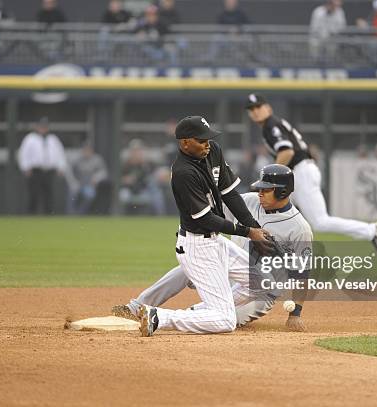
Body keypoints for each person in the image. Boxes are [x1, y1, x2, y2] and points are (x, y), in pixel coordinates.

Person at [113, 164, 313, 331]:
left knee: (224, 322)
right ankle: (135, 307)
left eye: (266, 189)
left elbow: (302, 275)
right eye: (259, 189)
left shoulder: (299, 228)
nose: (259, 193)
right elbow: (211, 215)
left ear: (283, 191)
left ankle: (184, 315)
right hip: (229, 266)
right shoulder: (249, 201)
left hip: (260, 291)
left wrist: (295, 314)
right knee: (187, 266)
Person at [137, 116, 272, 336]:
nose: (207, 144)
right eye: (201, 140)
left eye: (208, 138)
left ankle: (200, 313)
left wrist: (256, 229)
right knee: (226, 322)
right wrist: (248, 232)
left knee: (262, 283)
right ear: (185, 143)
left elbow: (230, 195)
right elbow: (205, 219)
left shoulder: (213, 151)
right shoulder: (183, 173)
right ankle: (159, 316)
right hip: (198, 247)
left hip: (216, 240)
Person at [245, 93, 377, 257]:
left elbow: (287, 152)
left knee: (320, 221)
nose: (255, 111)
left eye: (258, 107)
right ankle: (281, 256)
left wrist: (268, 178)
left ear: (268, 108)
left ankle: (370, 231)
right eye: (251, 109)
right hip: (299, 172)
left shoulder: (271, 126)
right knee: (281, 214)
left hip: (300, 173)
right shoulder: (272, 125)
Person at [17, 117, 67, 215]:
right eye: (41, 126)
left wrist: (61, 167)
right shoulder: (30, 138)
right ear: (37, 127)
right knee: (34, 193)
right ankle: (31, 214)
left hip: (49, 170)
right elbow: (23, 154)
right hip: (35, 170)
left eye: (45, 126)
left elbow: (60, 153)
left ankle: (48, 215)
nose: (43, 128)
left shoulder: (53, 139)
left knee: (48, 194)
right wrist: (26, 168)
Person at [119, 139, 165, 215]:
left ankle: (160, 217)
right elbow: (118, 179)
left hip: (143, 190)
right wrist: (125, 179)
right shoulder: (125, 165)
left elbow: (154, 176)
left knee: (156, 194)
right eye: (134, 151)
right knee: (122, 195)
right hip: (128, 190)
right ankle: (119, 216)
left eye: (138, 151)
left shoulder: (147, 164)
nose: (136, 153)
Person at [66, 142, 110, 215]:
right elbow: (69, 171)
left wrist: (96, 178)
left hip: (89, 185)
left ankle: (80, 213)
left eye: (89, 150)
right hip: (77, 184)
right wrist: (73, 182)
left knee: (90, 195)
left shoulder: (97, 159)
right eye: (85, 150)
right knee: (72, 194)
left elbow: (104, 172)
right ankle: (71, 213)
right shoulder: (76, 159)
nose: (87, 152)